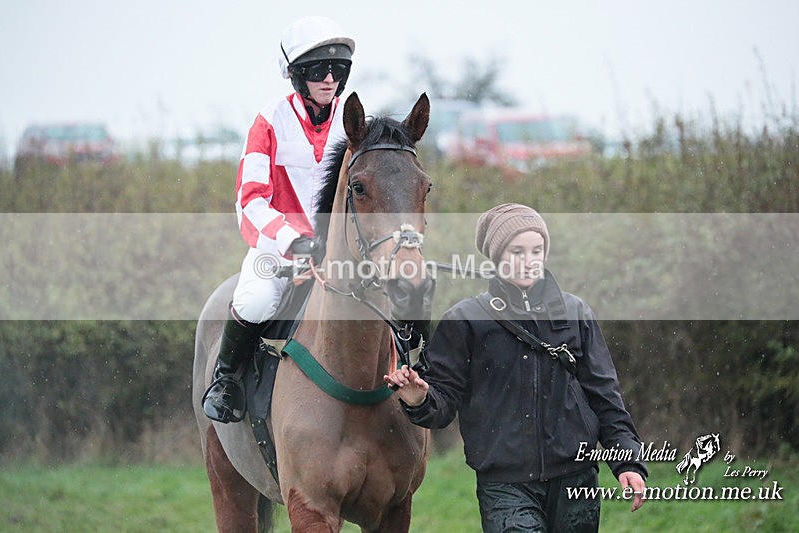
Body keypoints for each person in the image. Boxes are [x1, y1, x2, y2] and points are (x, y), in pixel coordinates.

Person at [384, 203, 648, 532]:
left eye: (537, 250)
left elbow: (606, 399)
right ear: (496, 256)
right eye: (517, 251)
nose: (529, 260)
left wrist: (628, 462)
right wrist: (419, 399)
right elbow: (442, 406)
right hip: (505, 486)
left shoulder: (575, 313)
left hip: (576, 480)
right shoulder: (464, 321)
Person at [202, 16, 355, 423]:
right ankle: (226, 379)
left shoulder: (355, 120)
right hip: (281, 249)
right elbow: (250, 199)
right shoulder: (269, 120)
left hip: (338, 250)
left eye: (338, 70)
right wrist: (293, 240)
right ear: (295, 75)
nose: (329, 79)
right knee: (255, 300)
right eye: (318, 70)